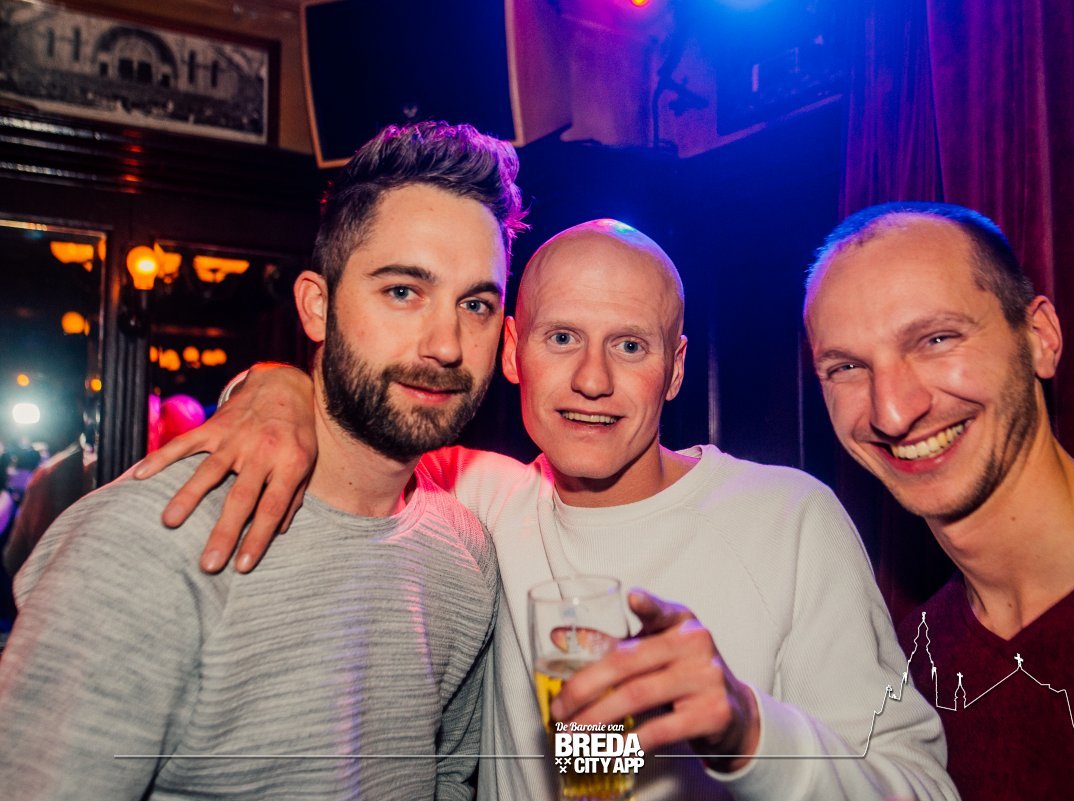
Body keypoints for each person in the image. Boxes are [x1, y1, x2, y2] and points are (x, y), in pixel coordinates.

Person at [137, 220, 958, 801]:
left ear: (675, 369)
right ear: (511, 352)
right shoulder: (476, 498)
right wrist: (272, 386)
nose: (592, 379)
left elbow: (921, 787)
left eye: (629, 345)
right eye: (562, 338)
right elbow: (353, 428)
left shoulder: (789, 519)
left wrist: (749, 730)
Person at [0, 120, 525, 800]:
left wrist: (673, 752)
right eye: (403, 291)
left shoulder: (474, 544)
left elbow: (452, 779)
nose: (447, 344)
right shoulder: (153, 540)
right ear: (317, 306)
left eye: (476, 303)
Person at [803, 201, 1074, 800]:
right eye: (848, 367)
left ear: (1040, 338)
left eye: (936, 339)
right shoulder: (911, 667)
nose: (892, 411)